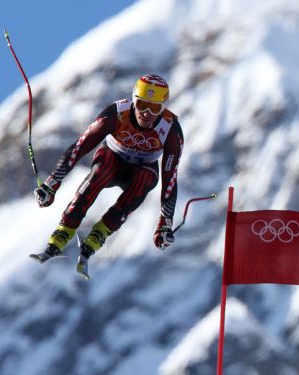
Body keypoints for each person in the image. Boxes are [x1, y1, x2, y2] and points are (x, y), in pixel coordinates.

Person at [29, 73, 184, 279]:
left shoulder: (171, 129)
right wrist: (51, 184)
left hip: (141, 170)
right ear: (133, 101)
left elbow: (170, 178)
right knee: (102, 170)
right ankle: (64, 230)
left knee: (146, 179)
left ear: (163, 108)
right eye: (141, 105)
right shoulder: (117, 113)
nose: (146, 113)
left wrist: (165, 224)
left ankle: (99, 234)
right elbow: (79, 148)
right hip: (112, 159)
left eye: (154, 108)